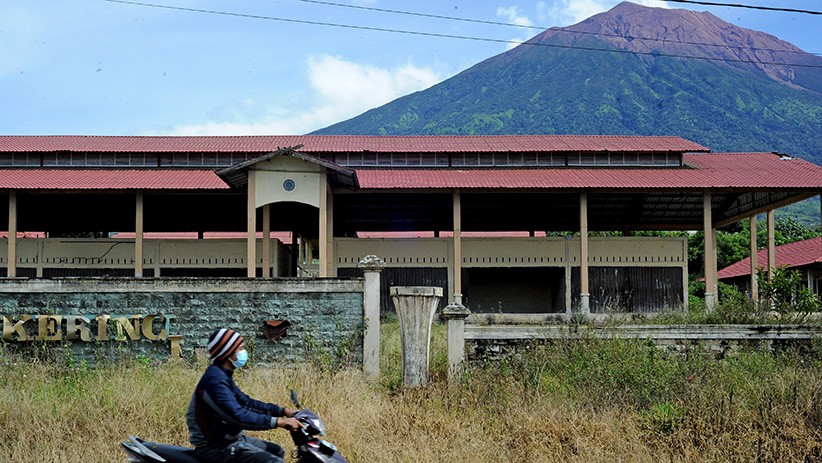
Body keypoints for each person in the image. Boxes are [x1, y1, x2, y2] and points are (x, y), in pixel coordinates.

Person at [186, 328, 303, 463]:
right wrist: (279, 422)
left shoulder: (223, 375)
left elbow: (246, 403)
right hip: (215, 447)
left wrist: (282, 411)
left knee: (276, 450)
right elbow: (237, 417)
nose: (243, 352)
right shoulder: (214, 380)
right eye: (240, 348)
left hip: (231, 439)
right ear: (229, 353)